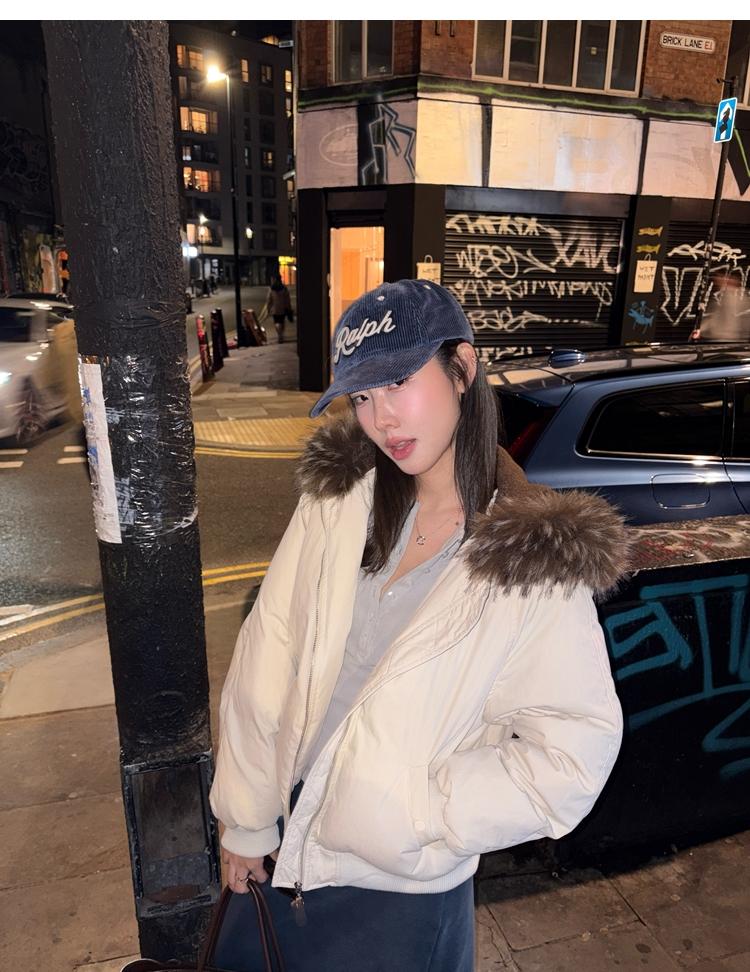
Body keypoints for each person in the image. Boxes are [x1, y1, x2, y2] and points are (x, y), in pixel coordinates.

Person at [210, 280, 631, 971]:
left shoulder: (528, 560)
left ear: (462, 367)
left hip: (398, 892)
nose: (381, 418)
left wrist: (420, 812)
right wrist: (247, 817)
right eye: (361, 396)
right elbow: (270, 651)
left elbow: (571, 751)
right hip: (287, 833)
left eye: (399, 382)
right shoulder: (340, 498)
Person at [690, 271, 750, 343]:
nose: (719, 280)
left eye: (722, 277)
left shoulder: (733, 297)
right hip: (726, 338)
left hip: (726, 338)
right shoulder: (726, 295)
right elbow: (716, 317)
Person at [265, 275, 293, 343]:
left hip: (275, 309)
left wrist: (268, 308)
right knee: (282, 322)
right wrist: (289, 307)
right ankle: (281, 335)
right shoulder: (284, 288)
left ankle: (279, 334)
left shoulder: (272, 288)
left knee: (276, 322)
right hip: (283, 308)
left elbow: (269, 300)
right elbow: (287, 299)